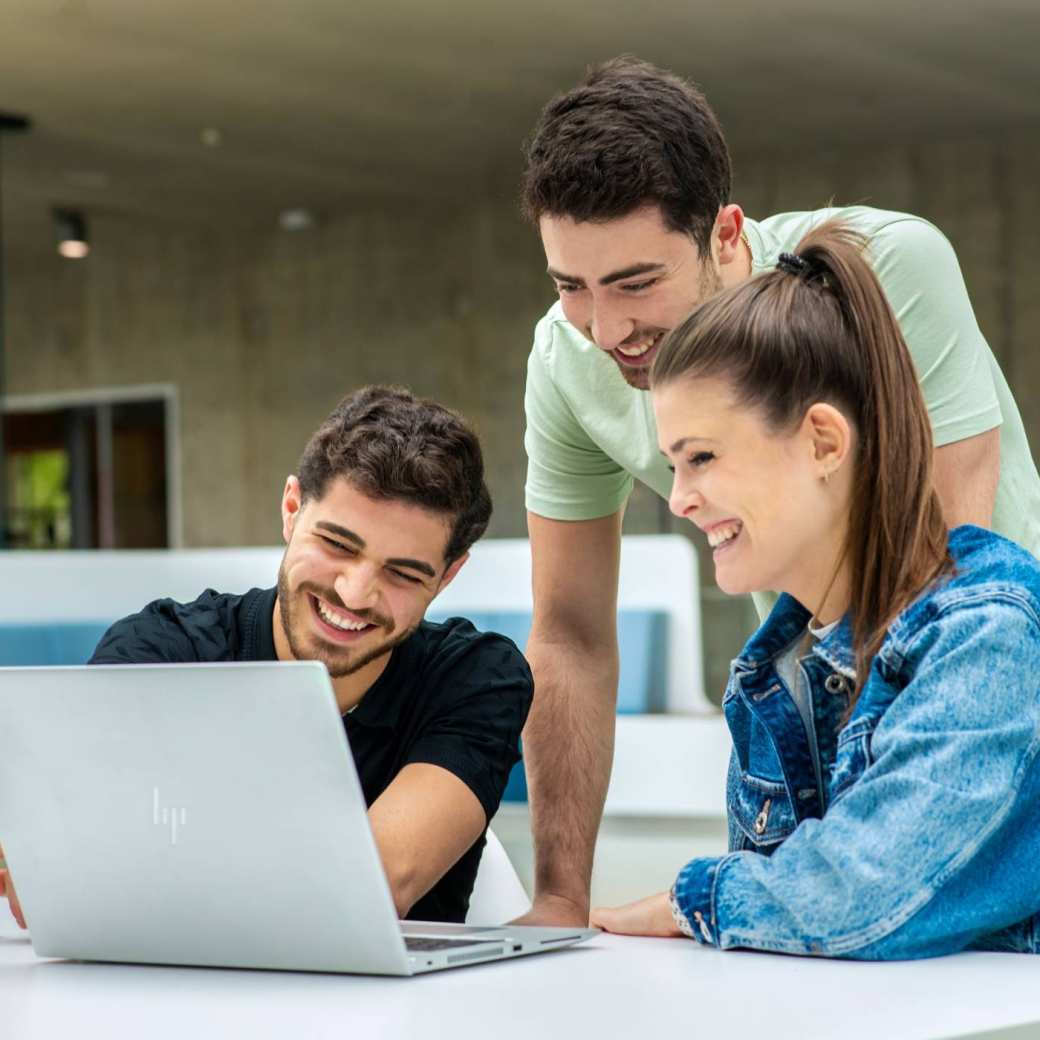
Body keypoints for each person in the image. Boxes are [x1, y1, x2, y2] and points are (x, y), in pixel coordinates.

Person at [516, 56, 1040, 927]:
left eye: (638, 282)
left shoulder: (889, 271)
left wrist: (764, 895)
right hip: (806, 697)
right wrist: (561, 902)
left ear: (727, 236)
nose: (605, 329)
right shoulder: (761, 680)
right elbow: (569, 632)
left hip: (982, 708)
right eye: (572, 286)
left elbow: (937, 587)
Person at [587, 221, 1040, 957]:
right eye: (674, 465)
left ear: (824, 442)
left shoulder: (989, 632)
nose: (679, 500)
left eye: (701, 457)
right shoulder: (774, 672)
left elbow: (855, 892)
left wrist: (691, 900)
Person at [0, 385, 533, 930]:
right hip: (160, 999)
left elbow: (372, 886)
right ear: (291, 509)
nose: (354, 594)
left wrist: (126, 861)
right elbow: (48, 866)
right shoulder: (163, 651)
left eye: (402, 573)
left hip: (395, 1010)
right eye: (337, 545)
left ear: (447, 576)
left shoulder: (476, 679)